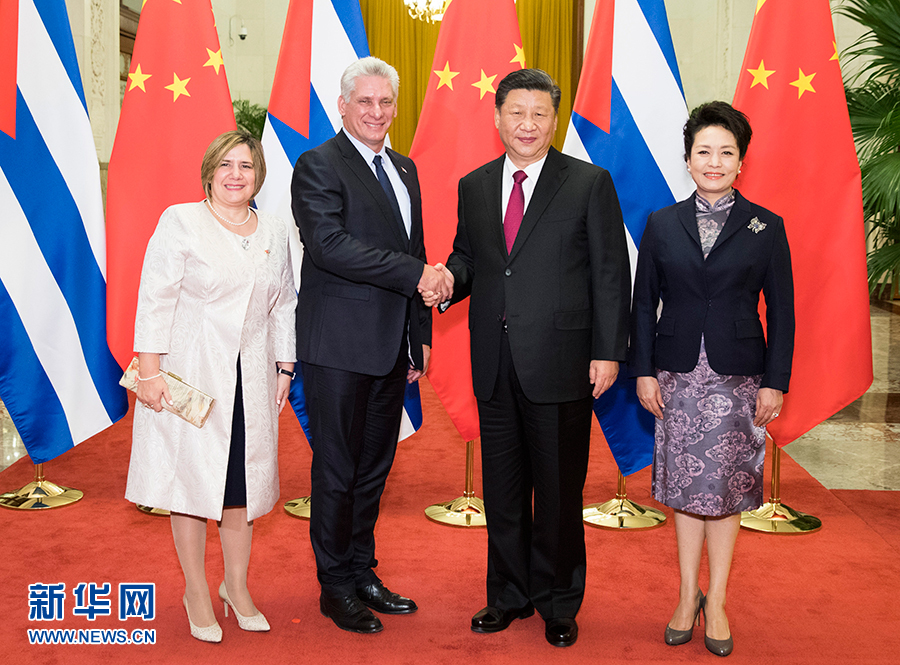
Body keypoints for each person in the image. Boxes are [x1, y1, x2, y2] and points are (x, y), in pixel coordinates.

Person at [427, 68, 631, 648]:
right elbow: (471, 257)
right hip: (494, 361)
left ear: (554, 120)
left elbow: (610, 273)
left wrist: (608, 352)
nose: (527, 124)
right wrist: (449, 279)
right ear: (497, 117)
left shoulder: (588, 182)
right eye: (516, 112)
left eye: (540, 113)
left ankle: (558, 601)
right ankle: (508, 596)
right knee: (504, 490)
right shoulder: (475, 184)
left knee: (560, 491)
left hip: (563, 361)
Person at [629, 101, 794, 657]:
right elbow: (642, 305)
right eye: (704, 152)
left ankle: (717, 601)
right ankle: (686, 596)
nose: (715, 162)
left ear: (742, 161)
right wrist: (643, 370)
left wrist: (775, 380)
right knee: (684, 488)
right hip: (675, 375)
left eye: (726, 152)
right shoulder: (661, 223)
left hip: (738, 377)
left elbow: (784, 311)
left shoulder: (765, 226)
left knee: (725, 490)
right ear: (688, 159)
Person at [126, 131, 297, 642]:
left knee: (241, 487)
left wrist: (285, 366)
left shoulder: (273, 228)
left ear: (258, 175)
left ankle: (235, 586)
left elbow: (284, 302)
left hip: (252, 376)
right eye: (225, 165)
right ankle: (197, 590)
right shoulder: (181, 221)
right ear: (209, 172)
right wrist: (149, 372)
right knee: (191, 484)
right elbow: (154, 298)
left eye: (246, 165)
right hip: (191, 375)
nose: (235, 175)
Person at [291, 56, 439, 634]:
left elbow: (416, 248)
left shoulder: (405, 169)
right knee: (337, 470)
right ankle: (334, 586)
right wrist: (415, 274)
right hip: (337, 347)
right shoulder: (318, 164)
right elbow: (329, 245)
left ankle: (361, 571)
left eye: (385, 102)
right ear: (343, 106)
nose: (377, 112)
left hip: (391, 347)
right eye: (365, 101)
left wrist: (419, 336)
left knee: (374, 469)